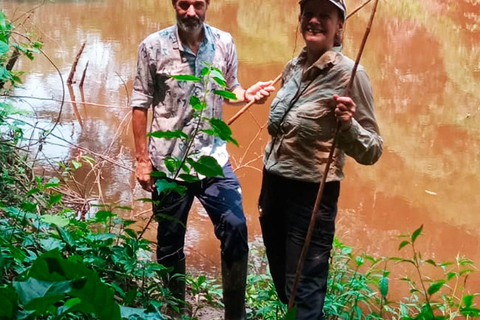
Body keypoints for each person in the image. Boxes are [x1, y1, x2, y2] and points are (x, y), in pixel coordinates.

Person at [131, 0, 274, 319]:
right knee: (169, 244)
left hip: (213, 160)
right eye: (184, 4)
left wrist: (248, 95)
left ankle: (235, 314)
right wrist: (142, 160)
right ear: (174, 4)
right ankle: (173, 310)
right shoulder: (152, 47)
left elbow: (231, 87)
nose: (191, 12)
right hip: (169, 164)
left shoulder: (224, 42)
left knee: (236, 228)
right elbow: (140, 104)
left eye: (198, 4)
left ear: (207, 4)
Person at [258, 0, 383, 319]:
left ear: (339, 26)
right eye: (308, 14)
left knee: (306, 291)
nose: (314, 21)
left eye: (324, 15)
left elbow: (373, 150)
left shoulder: (351, 75)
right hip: (273, 188)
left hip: (312, 196)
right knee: (284, 283)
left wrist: (348, 124)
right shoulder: (292, 67)